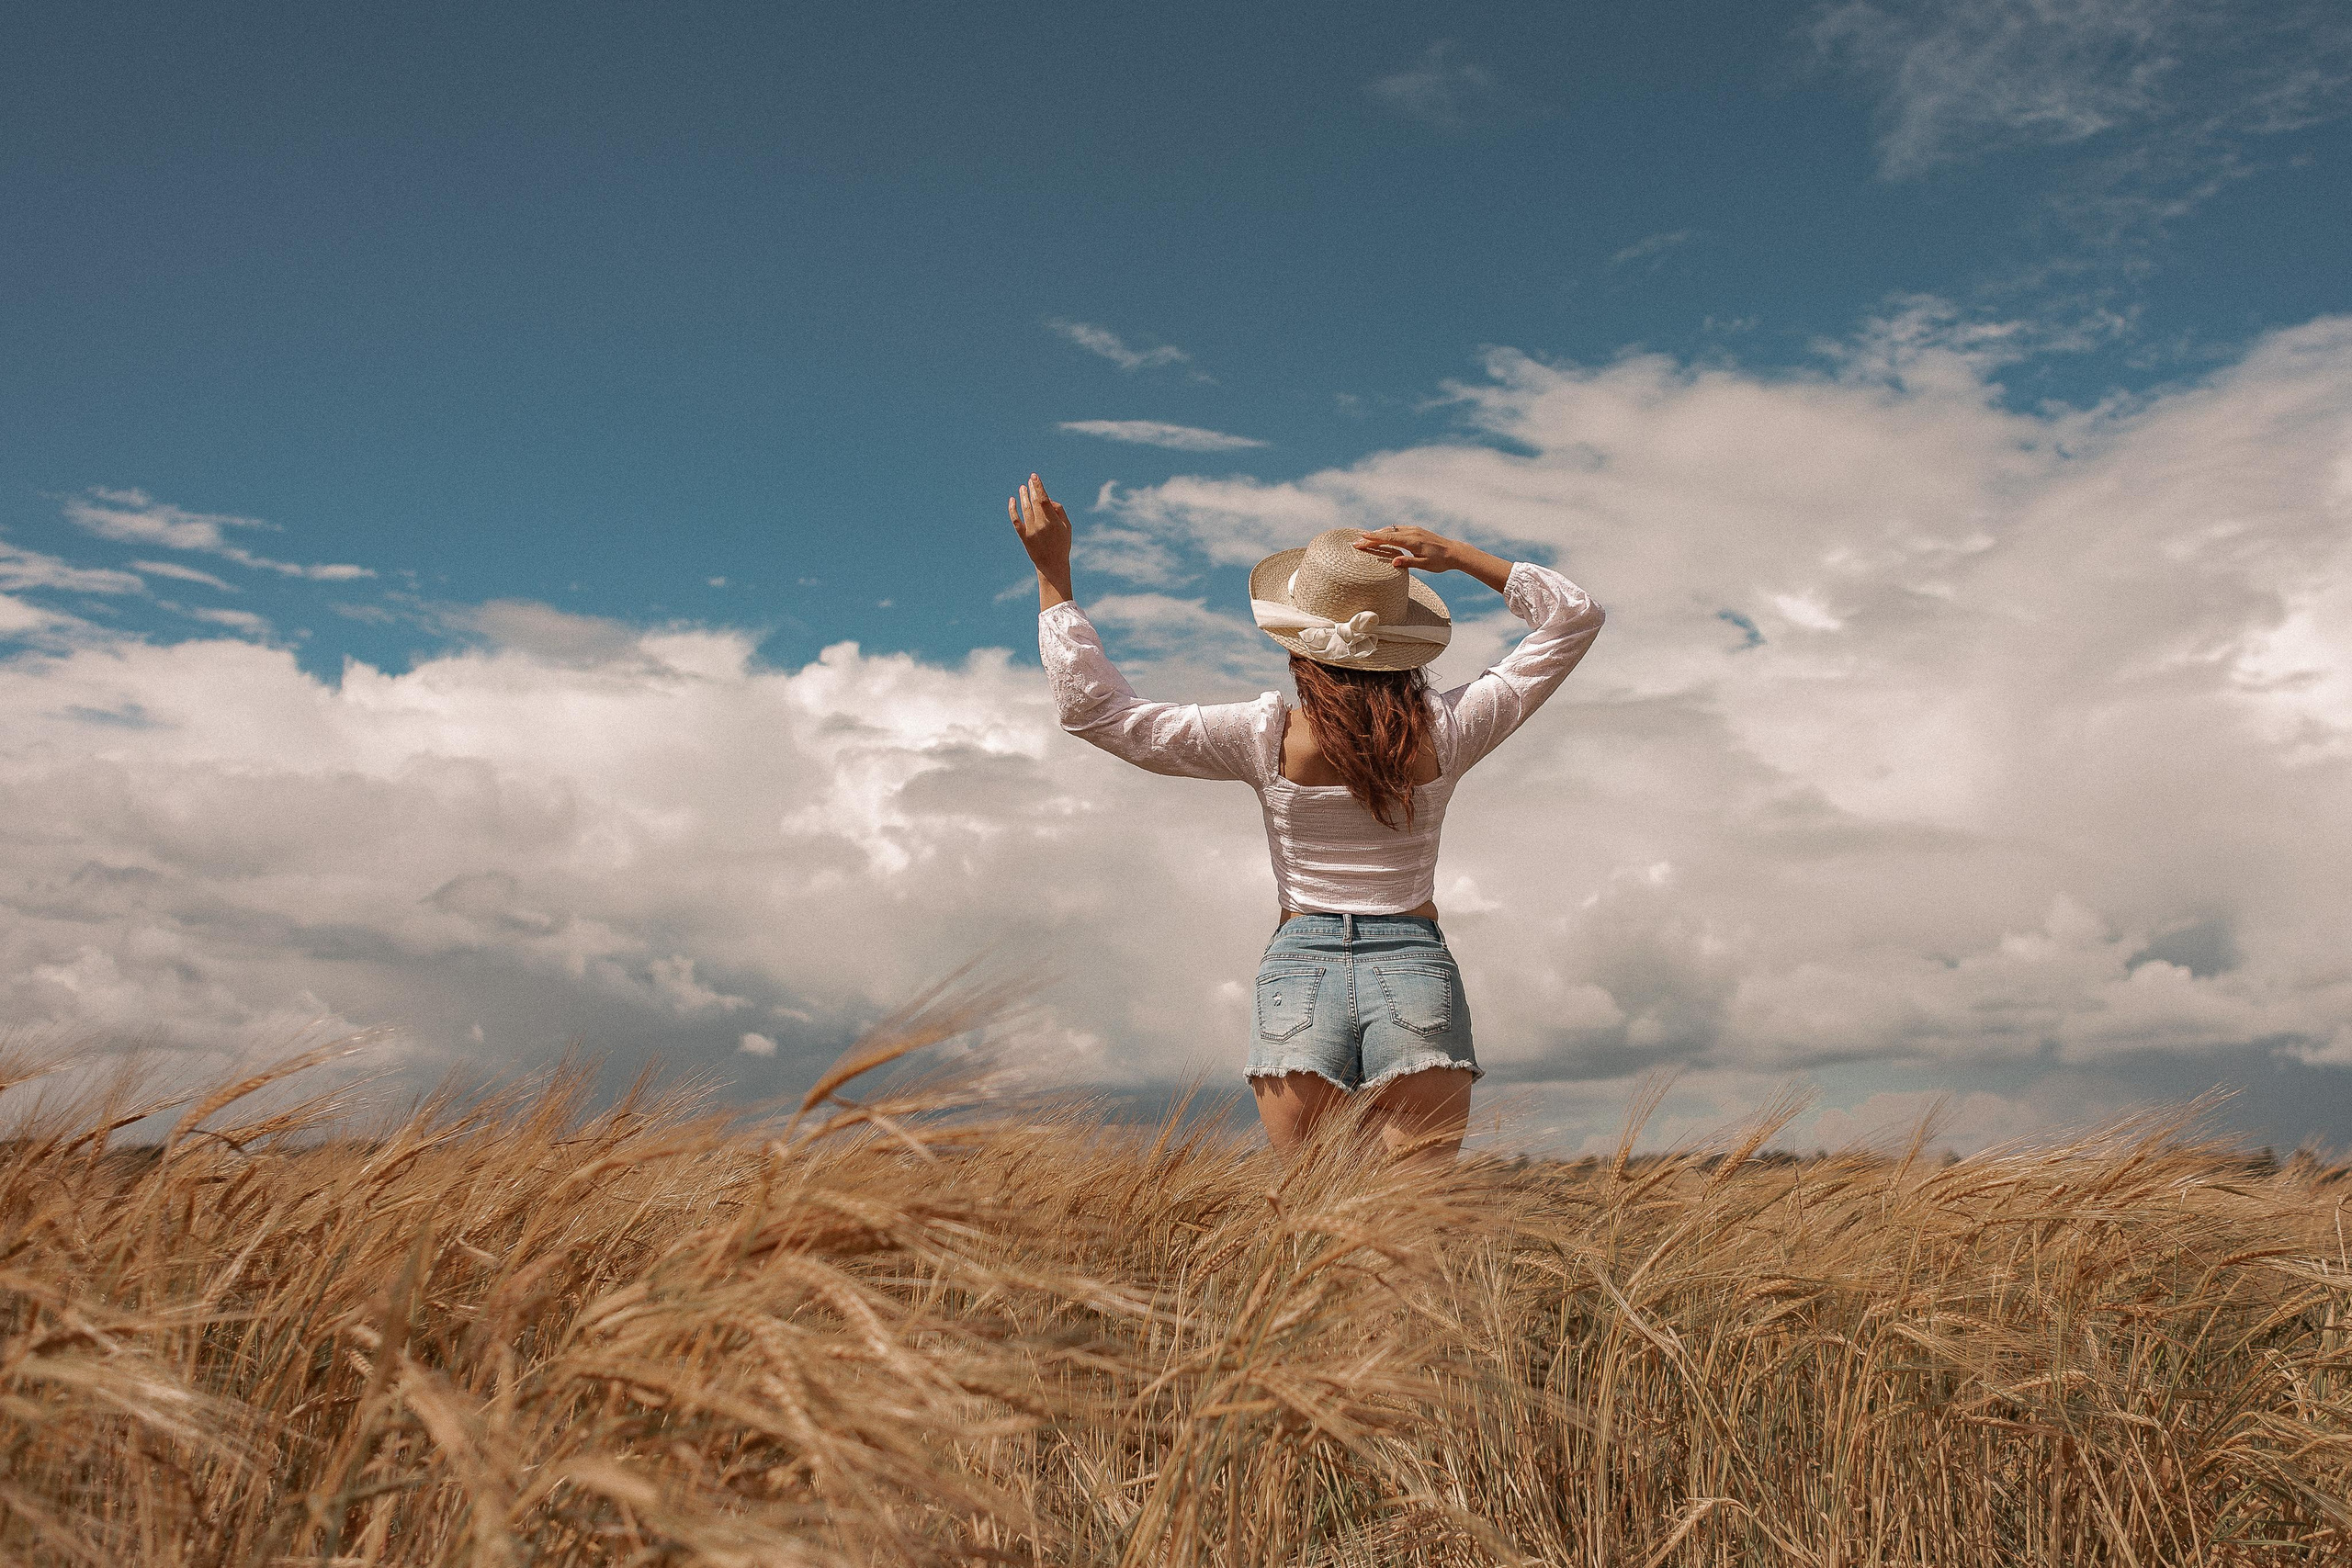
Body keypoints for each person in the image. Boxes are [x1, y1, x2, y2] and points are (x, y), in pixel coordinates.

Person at [1008, 473, 1603, 1159]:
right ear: (1407, 644)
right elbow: (1574, 617)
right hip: (1415, 967)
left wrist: (1054, 574)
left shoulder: (1260, 734)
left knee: (1309, 1236)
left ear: (1295, 645)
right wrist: (1457, 554)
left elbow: (1097, 711)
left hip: (1299, 971)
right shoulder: (1449, 727)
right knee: (1414, 1233)